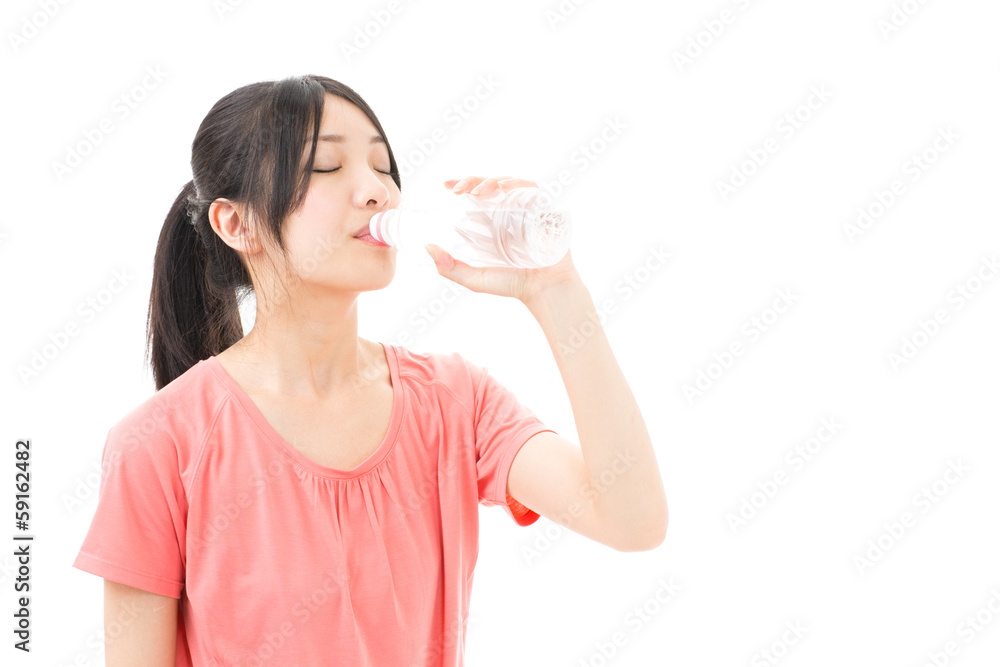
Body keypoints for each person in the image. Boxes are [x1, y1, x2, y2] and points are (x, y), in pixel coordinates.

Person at [72, 74, 668, 666]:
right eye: (326, 167)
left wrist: (556, 290)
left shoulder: (455, 401)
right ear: (237, 224)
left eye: (383, 167)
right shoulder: (159, 443)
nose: (377, 191)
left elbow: (632, 520)